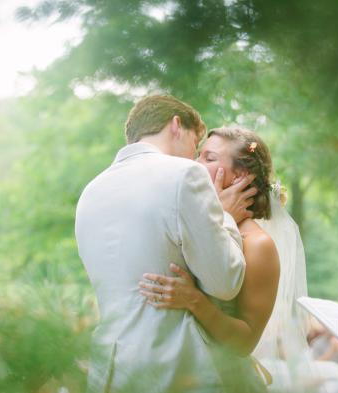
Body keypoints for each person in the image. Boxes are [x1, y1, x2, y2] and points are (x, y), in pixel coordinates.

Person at [75, 95, 258, 393]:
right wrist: (223, 214)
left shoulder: (90, 192)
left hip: (108, 373)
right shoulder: (184, 174)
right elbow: (225, 281)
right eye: (194, 145)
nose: (193, 157)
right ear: (176, 125)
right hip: (173, 370)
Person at [139, 128, 316, 392]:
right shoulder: (187, 221)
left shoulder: (258, 246)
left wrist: (194, 301)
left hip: (221, 380)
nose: (195, 163)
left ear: (240, 176)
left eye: (209, 159)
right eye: (198, 155)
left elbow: (245, 342)